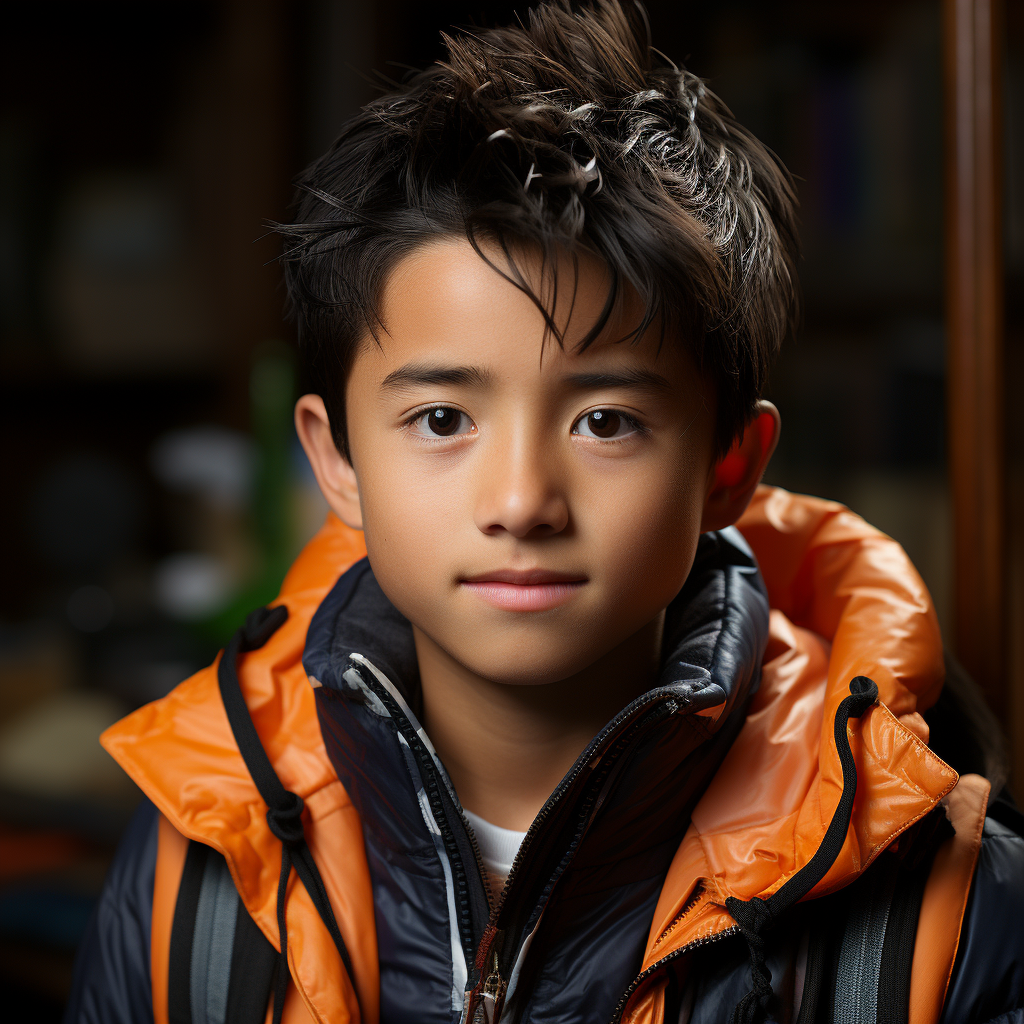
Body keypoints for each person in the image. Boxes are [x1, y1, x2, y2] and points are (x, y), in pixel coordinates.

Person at [65, 3, 1024, 1023]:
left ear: (728, 465)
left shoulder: (944, 907)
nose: (521, 501)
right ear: (337, 461)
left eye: (606, 421)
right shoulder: (201, 865)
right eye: (442, 417)